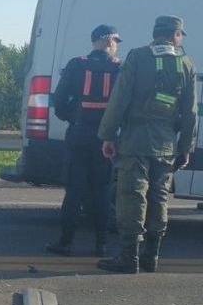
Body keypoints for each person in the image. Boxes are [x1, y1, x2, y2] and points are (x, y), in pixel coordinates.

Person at [97, 15, 198, 273]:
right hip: (166, 144)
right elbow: (190, 113)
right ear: (176, 35)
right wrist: (186, 147)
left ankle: (129, 258)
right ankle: (151, 257)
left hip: (135, 141)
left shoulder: (138, 57)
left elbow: (119, 99)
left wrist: (108, 135)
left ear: (155, 33)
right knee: (159, 197)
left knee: (131, 196)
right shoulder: (185, 63)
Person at [46, 24, 122, 257]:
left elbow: (58, 102)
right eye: (116, 41)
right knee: (102, 191)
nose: (116, 46)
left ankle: (66, 242)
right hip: (106, 139)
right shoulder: (120, 68)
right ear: (109, 41)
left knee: (74, 191)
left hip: (78, 135)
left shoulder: (76, 64)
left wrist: (73, 116)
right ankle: (102, 245)